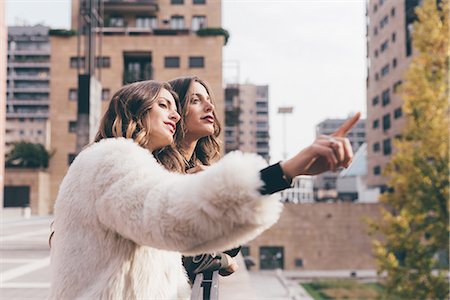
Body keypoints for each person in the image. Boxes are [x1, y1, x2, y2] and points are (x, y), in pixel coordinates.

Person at [49, 79, 359, 299]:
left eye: (176, 107)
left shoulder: (120, 163)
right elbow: (175, 222)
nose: (176, 115)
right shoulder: (112, 159)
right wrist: (288, 170)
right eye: (164, 105)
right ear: (135, 111)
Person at [158, 76, 360, 281]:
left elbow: (230, 245)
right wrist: (224, 262)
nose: (209, 106)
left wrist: (293, 171)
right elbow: (178, 257)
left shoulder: (199, 169)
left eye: (209, 99)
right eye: (195, 100)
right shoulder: (160, 171)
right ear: (175, 112)